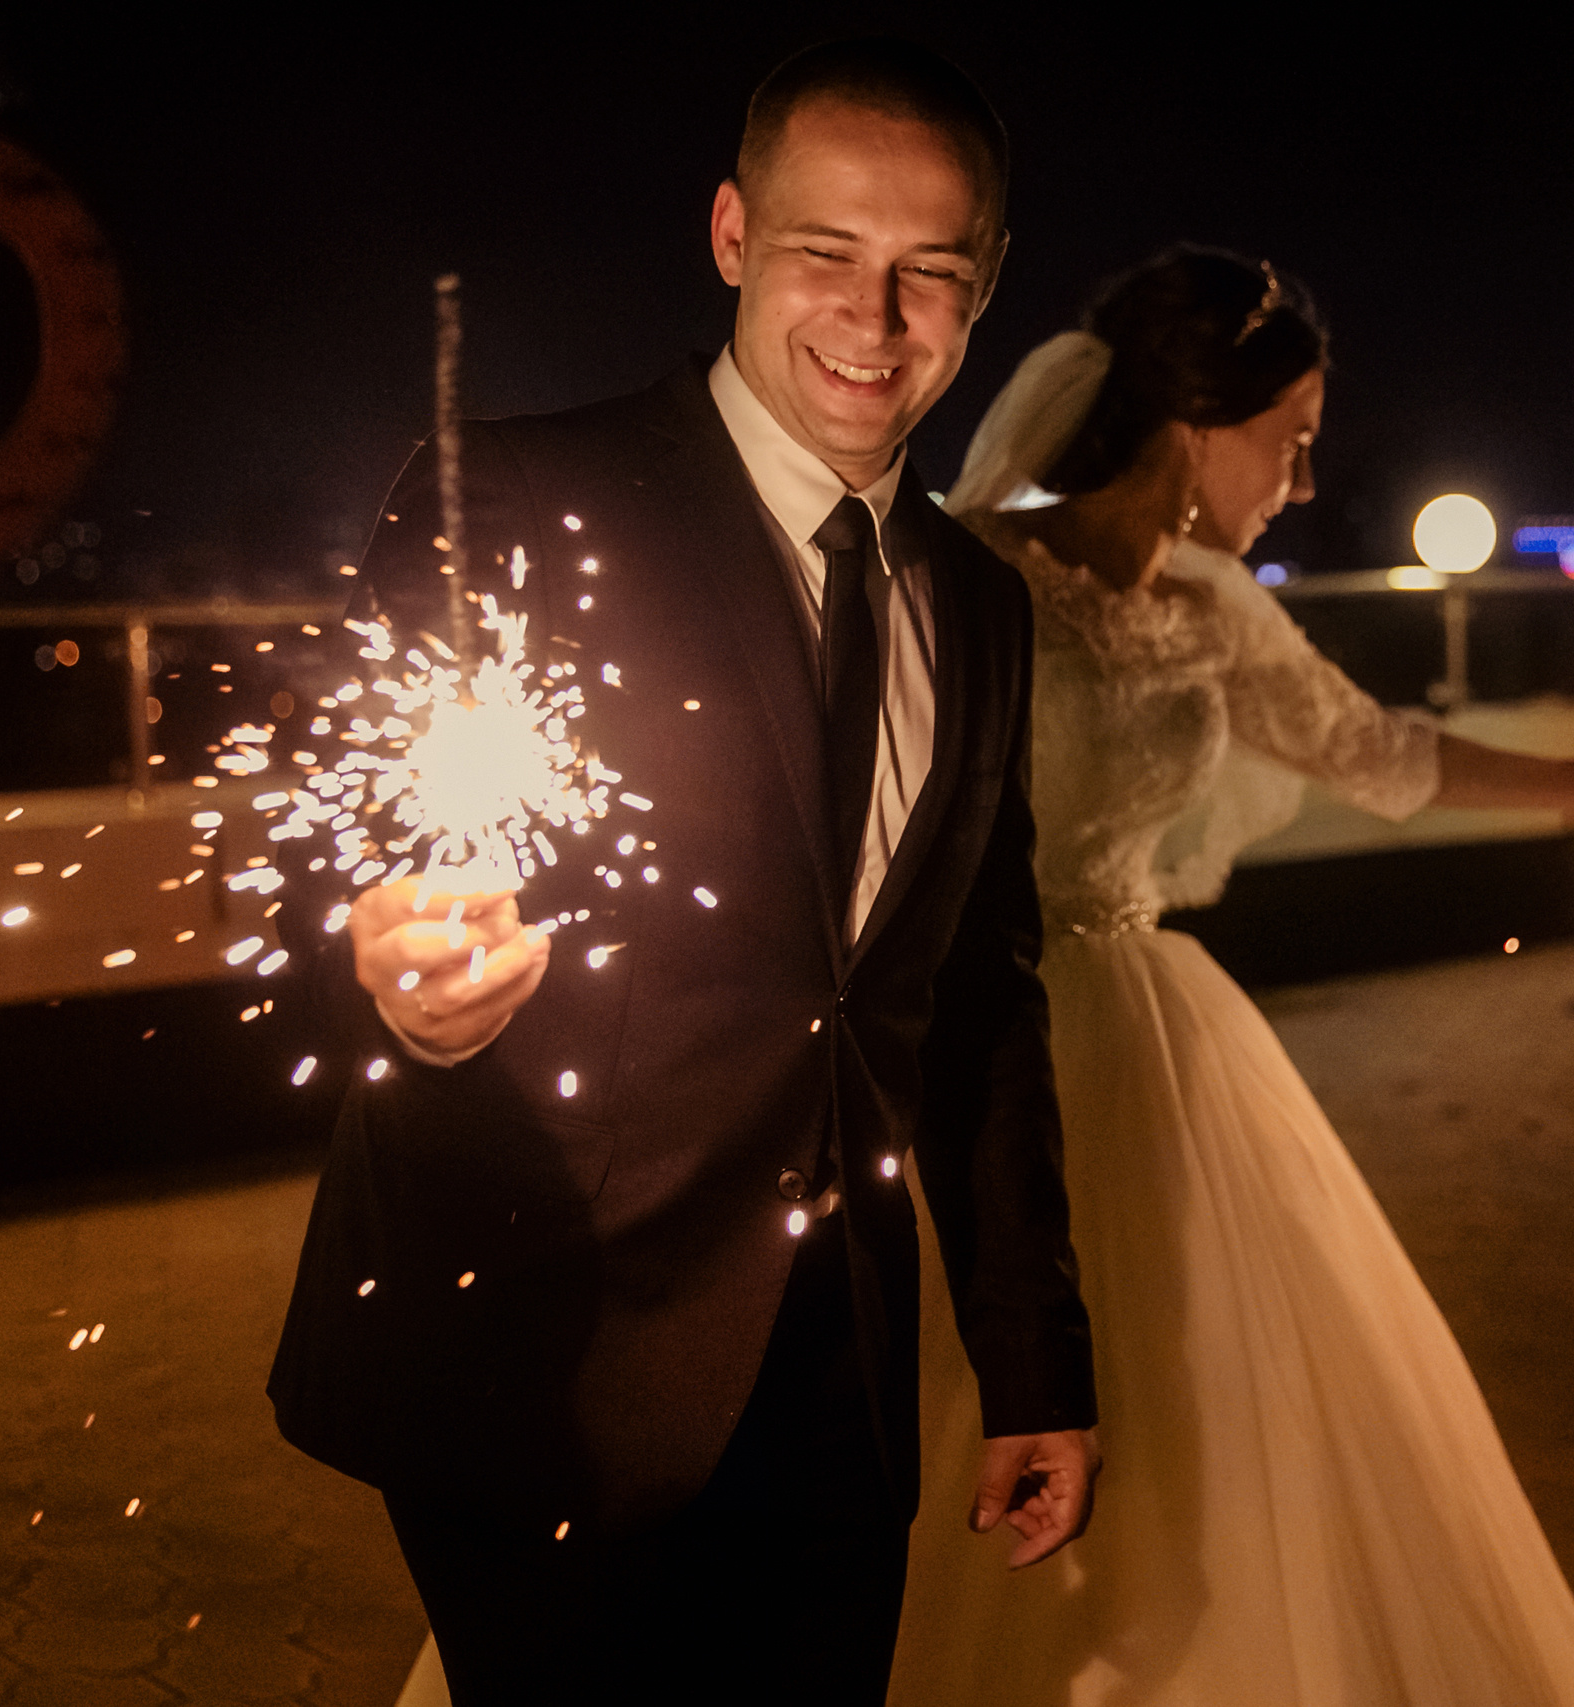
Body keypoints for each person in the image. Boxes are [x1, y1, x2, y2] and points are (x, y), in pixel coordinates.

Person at [267, 40, 1101, 1704]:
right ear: (731, 234)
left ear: (988, 282)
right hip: (548, 1352)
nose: (874, 322)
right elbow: (329, 838)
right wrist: (398, 986)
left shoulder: (983, 603)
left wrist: (1032, 1362)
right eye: (824, 255)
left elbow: (975, 1001)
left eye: (929, 272)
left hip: (841, 1369)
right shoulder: (514, 491)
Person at [884, 247, 1574, 1705]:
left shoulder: (1206, 606)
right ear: (1196, 426)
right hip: (977, 1032)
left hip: (1154, 1028)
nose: (1305, 485)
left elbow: (1375, 751)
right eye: (1292, 442)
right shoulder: (977, 578)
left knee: (1213, 1390)